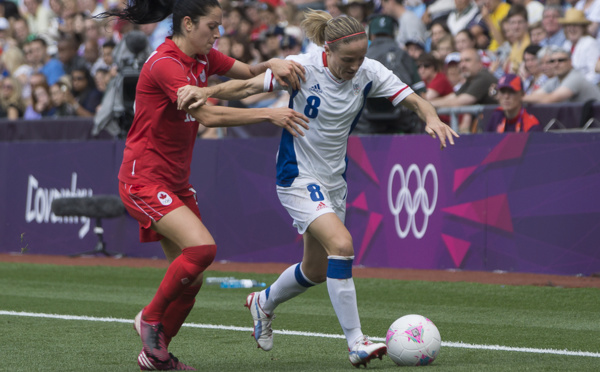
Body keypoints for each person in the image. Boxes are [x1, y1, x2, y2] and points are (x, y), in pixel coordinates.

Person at [177, 9, 458, 368]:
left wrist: (432, 117)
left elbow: (415, 100)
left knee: (316, 269)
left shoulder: (370, 72)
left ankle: (263, 303)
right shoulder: (301, 67)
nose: (356, 66)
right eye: (348, 59)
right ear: (328, 49)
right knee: (342, 245)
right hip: (296, 175)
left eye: (361, 57)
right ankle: (357, 342)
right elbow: (247, 87)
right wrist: (205, 91)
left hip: (333, 181)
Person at [96, 0, 310, 370]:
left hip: (176, 182)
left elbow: (246, 76)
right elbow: (208, 112)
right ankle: (149, 318)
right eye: (213, 26)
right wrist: (268, 113)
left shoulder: (203, 57)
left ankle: (157, 357)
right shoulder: (165, 64)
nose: (218, 33)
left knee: (190, 278)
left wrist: (272, 65)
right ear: (189, 23)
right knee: (202, 250)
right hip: (143, 179)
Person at [523, 48, 600, 103]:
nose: (556, 64)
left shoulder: (575, 77)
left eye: (561, 60)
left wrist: (519, 99)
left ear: (570, 62)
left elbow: (551, 99)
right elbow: (534, 95)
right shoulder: (554, 80)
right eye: (552, 61)